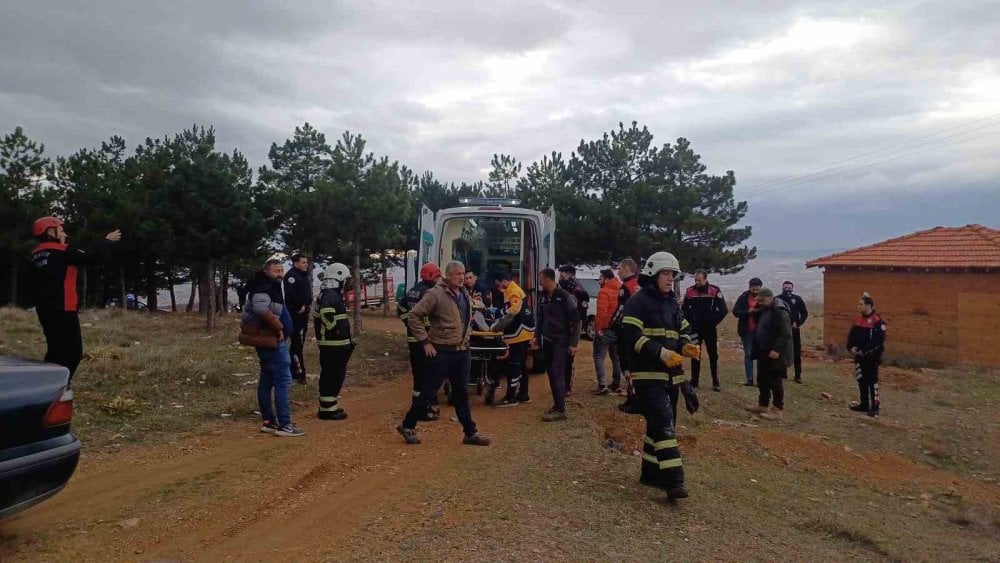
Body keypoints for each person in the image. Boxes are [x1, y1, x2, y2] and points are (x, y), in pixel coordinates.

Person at [619, 252, 701, 502]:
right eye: (666, 273)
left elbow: (683, 327)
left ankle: (650, 473)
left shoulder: (671, 303)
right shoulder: (638, 302)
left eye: (673, 275)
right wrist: (661, 351)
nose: (670, 279)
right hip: (647, 375)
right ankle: (674, 481)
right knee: (664, 424)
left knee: (661, 424)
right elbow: (629, 336)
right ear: (653, 274)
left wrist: (686, 344)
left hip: (670, 377)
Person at [397, 261, 491, 446]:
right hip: (442, 351)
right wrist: (424, 341)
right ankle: (408, 425)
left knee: (461, 392)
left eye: (463, 273)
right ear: (447, 276)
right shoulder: (436, 294)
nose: (462, 277)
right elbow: (414, 316)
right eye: (457, 274)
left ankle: (470, 433)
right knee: (428, 392)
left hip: (462, 350)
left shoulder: (463, 293)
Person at [28, 216, 121, 380]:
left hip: (44, 311)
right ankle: (57, 388)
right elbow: (92, 258)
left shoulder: (34, 255)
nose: (65, 235)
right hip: (64, 309)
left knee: (55, 350)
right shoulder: (64, 251)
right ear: (51, 231)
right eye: (62, 230)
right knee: (73, 352)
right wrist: (107, 241)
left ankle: (46, 385)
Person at [244, 259, 304, 437]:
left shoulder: (270, 286)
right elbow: (261, 309)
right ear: (266, 271)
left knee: (266, 380)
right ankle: (285, 425)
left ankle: (269, 422)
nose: (280, 274)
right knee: (282, 381)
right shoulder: (263, 287)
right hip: (272, 342)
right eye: (276, 271)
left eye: (281, 270)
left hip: (270, 342)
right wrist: (279, 328)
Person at [533, 268, 581, 422]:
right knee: (551, 373)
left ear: (547, 279)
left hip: (561, 340)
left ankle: (560, 410)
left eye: (540, 278)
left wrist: (574, 344)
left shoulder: (565, 297)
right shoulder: (543, 296)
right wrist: (536, 336)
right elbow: (541, 318)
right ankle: (557, 404)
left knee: (556, 372)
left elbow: (577, 321)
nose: (538, 281)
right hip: (547, 340)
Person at [396, 263, 442, 421]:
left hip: (413, 339)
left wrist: (408, 324)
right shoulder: (429, 293)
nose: (438, 279)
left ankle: (419, 406)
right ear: (432, 276)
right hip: (426, 341)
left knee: (418, 375)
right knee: (428, 374)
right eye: (437, 276)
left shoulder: (412, 291)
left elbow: (400, 309)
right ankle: (423, 409)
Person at [313, 263, 354, 420]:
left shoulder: (330, 293)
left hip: (334, 344)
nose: (347, 284)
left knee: (333, 375)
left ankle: (329, 407)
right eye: (345, 280)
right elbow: (326, 315)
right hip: (333, 344)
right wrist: (335, 330)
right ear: (337, 278)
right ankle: (327, 410)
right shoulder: (330, 295)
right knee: (333, 375)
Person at [744, 288, 793, 421]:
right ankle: (763, 404)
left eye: (762, 300)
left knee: (775, 381)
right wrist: (755, 311)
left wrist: (777, 350)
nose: (760, 302)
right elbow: (761, 323)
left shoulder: (780, 311)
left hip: (777, 352)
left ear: (770, 297)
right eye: (758, 300)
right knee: (762, 378)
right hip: (764, 350)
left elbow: (786, 333)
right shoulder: (765, 308)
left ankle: (777, 410)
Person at [490, 271, 535, 406]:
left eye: (498, 284)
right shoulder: (510, 290)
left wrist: (499, 315)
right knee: (521, 365)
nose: (498, 287)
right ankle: (523, 394)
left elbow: (514, 309)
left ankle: (511, 397)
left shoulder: (514, 290)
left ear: (503, 281)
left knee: (514, 364)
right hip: (522, 331)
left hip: (520, 333)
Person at [682, 269, 728, 392]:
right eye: (695, 280)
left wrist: (713, 322)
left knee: (713, 355)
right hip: (694, 329)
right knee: (695, 354)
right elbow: (684, 310)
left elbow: (723, 310)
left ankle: (715, 381)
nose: (697, 282)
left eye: (699, 280)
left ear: (706, 279)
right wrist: (689, 324)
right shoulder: (690, 291)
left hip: (709, 329)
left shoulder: (714, 291)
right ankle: (695, 381)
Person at [847, 293, 886, 418]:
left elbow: (878, 340)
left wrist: (865, 351)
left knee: (872, 382)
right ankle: (864, 404)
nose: (858, 306)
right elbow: (851, 336)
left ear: (869, 306)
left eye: (861, 304)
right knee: (861, 380)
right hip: (859, 357)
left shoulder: (877, 321)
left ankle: (875, 407)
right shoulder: (858, 320)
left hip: (871, 357)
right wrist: (851, 347)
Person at [557, 265, 590, 395]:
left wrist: (575, 340)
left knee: (568, 359)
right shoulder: (560, 289)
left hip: (571, 328)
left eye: (562, 274)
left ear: (569, 274)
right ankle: (561, 384)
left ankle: (567, 387)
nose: (560, 276)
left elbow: (580, 317)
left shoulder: (578, 292)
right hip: (560, 328)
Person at [611, 258, 640, 401]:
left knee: (625, 361)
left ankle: (632, 392)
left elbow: (621, 310)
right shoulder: (641, 284)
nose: (618, 272)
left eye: (620, 269)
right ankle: (636, 389)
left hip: (627, 329)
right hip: (641, 329)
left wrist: (612, 324)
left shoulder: (626, 287)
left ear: (628, 269)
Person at [283, 253, 313, 385]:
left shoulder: (303, 275)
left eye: (307, 262)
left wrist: (308, 303)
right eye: (303, 262)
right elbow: (291, 295)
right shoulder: (291, 276)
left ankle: (293, 371)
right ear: (296, 263)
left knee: (298, 344)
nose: (306, 264)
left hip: (303, 313)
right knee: (297, 345)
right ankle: (299, 374)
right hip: (296, 315)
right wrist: (301, 304)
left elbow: (306, 293)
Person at [592, 268, 622, 395]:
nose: (599, 281)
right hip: (618, 329)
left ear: (607, 279)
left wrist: (598, 328)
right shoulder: (621, 290)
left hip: (605, 329)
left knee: (599, 356)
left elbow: (602, 313)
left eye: (600, 278)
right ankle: (616, 382)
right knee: (616, 357)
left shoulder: (604, 292)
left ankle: (602, 384)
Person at [777, 281, 809, 383]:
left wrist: (798, 323)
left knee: (796, 352)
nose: (787, 289)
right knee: (782, 351)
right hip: (781, 331)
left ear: (792, 288)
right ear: (782, 288)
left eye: (789, 287)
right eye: (785, 287)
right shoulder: (778, 299)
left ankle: (798, 375)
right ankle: (783, 373)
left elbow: (804, 313)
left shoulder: (797, 299)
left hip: (794, 330)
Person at [732, 278, 763, 386]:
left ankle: (761, 379)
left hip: (761, 331)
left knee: (761, 355)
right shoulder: (744, 297)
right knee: (748, 354)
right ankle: (749, 379)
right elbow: (735, 312)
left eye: (757, 289)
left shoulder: (764, 298)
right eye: (753, 289)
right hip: (747, 331)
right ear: (749, 288)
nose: (755, 292)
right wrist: (748, 312)